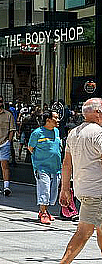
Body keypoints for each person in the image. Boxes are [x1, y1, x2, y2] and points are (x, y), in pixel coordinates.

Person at [58, 98, 102, 264]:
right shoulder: (98, 133)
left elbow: (66, 163)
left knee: (100, 231)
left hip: (83, 190)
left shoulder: (74, 133)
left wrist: (65, 189)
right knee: (84, 232)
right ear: (97, 112)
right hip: (97, 192)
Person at [28, 110, 62, 224]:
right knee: (45, 189)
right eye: (56, 118)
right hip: (41, 167)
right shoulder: (37, 133)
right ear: (48, 120)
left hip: (56, 167)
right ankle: (43, 213)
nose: (58, 120)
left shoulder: (56, 131)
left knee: (53, 192)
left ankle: (44, 211)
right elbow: (30, 148)